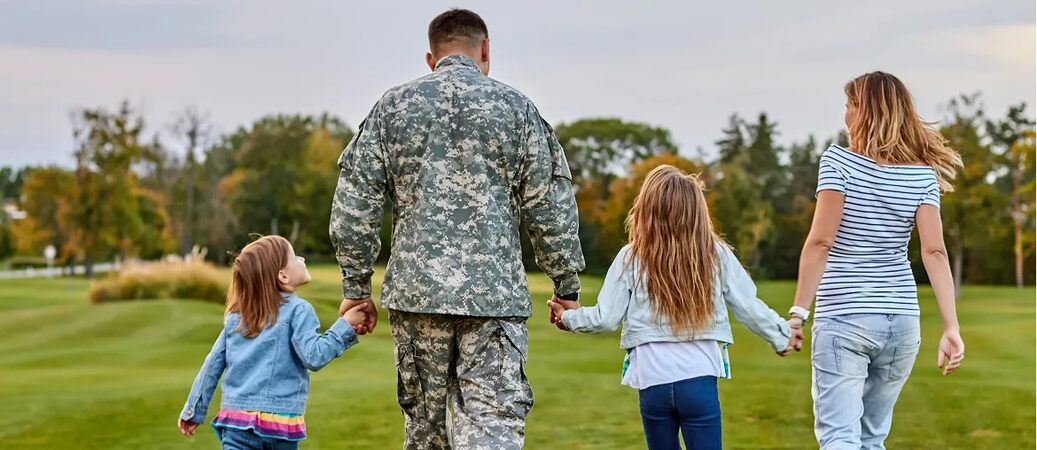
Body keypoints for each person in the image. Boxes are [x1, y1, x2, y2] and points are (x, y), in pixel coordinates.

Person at [329, 8, 585, 449]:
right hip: (494, 300)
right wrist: (566, 283)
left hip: (417, 296)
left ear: (432, 58)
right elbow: (550, 205)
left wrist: (356, 287)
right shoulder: (517, 109)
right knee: (492, 425)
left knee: (426, 434)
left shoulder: (393, 107)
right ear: (485, 50)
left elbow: (355, 204)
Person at [549, 165, 799, 450]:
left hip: (652, 383)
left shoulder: (630, 258)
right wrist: (781, 336)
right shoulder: (716, 255)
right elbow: (749, 307)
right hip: (699, 383)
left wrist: (567, 317)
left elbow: (605, 319)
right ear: (697, 212)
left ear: (645, 208)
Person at [786, 71, 966, 450]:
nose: (845, 116)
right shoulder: (922, 176)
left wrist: (798, 312)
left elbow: (820, 241)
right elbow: (934, 251)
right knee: (871, 440)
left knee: (839, 438)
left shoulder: (838, 163)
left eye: (850, 106)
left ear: (865, 112)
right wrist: (951, 328)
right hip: (902, 323)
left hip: (846, 318)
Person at [177, 235, 368, 449]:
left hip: (236, 423)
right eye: (295, 257)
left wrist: (193, 410)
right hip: (280, 427)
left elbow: (211, 366)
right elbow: (314, 356)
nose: (302, 259)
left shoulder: (237, 317)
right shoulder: (299, 310)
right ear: (283, 276)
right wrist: (345, 326)